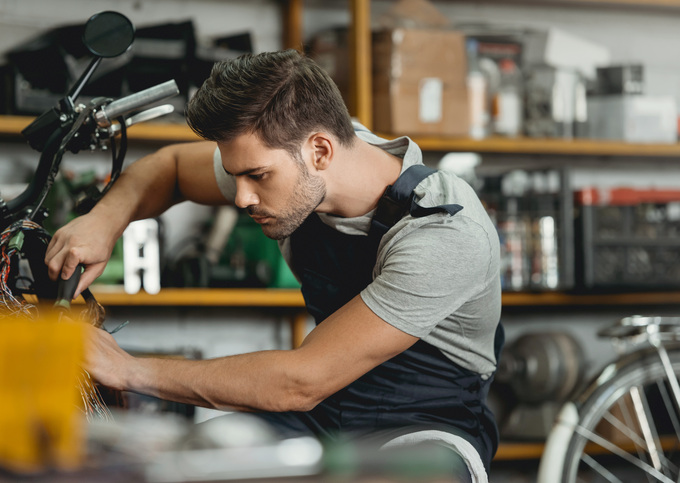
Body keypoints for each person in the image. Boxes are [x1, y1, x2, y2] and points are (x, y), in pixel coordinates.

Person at [45, 49, 503, 483]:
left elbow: (301, 380)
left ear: (320, 151)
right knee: (195, 461)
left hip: (424, 427)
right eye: (236, 175)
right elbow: (170, 168)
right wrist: (102, 222)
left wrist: (128, 370)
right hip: (319, 416)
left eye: (257, 177)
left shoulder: (443, 231)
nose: (240, 197)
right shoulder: (291, 158)